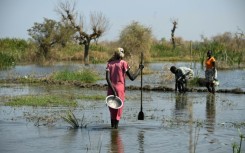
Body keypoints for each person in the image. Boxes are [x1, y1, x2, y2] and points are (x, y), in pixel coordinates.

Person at [106, 47, 144, 129]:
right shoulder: (123, 63)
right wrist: (139, 69)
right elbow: (132, 78)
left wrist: (113, 90)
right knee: (118, 112)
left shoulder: (109, 64)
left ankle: (113, 132)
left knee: (112, 111)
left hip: (110, 90)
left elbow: (107, 79)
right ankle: (115, 131)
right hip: (120, 90)